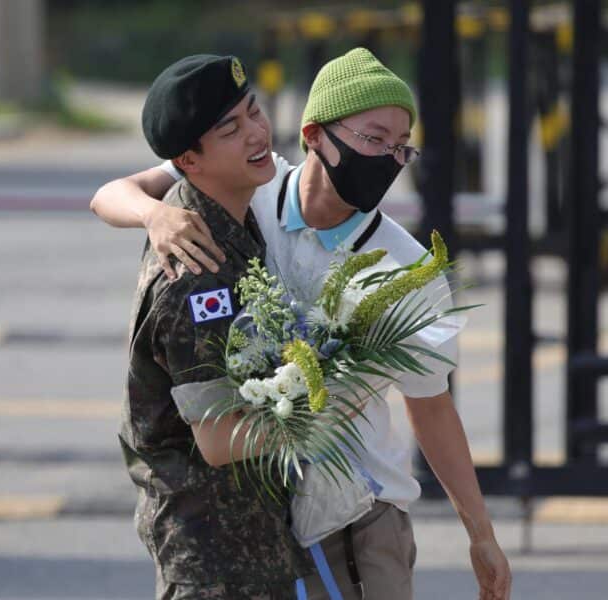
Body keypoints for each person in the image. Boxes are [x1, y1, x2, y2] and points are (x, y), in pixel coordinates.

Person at [94, 48, 511, 600]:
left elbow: (431, 405)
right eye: (372, 138)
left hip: (357, 519)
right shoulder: (244, 200)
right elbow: (114, 192)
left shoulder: (406, 268)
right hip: (255, 528)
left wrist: (479, 533)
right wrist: (156, 214)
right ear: (315, 135)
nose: (388, 157)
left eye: (400, 147)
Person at [116, 53, 312, 600]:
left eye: (254, 112)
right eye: (231, 129)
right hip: (215, 565)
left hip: (248, 548)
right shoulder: (197, 270)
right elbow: (221, 438)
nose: (256, 133)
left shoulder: (225, 220)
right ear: (188, 160)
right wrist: (334, 401)